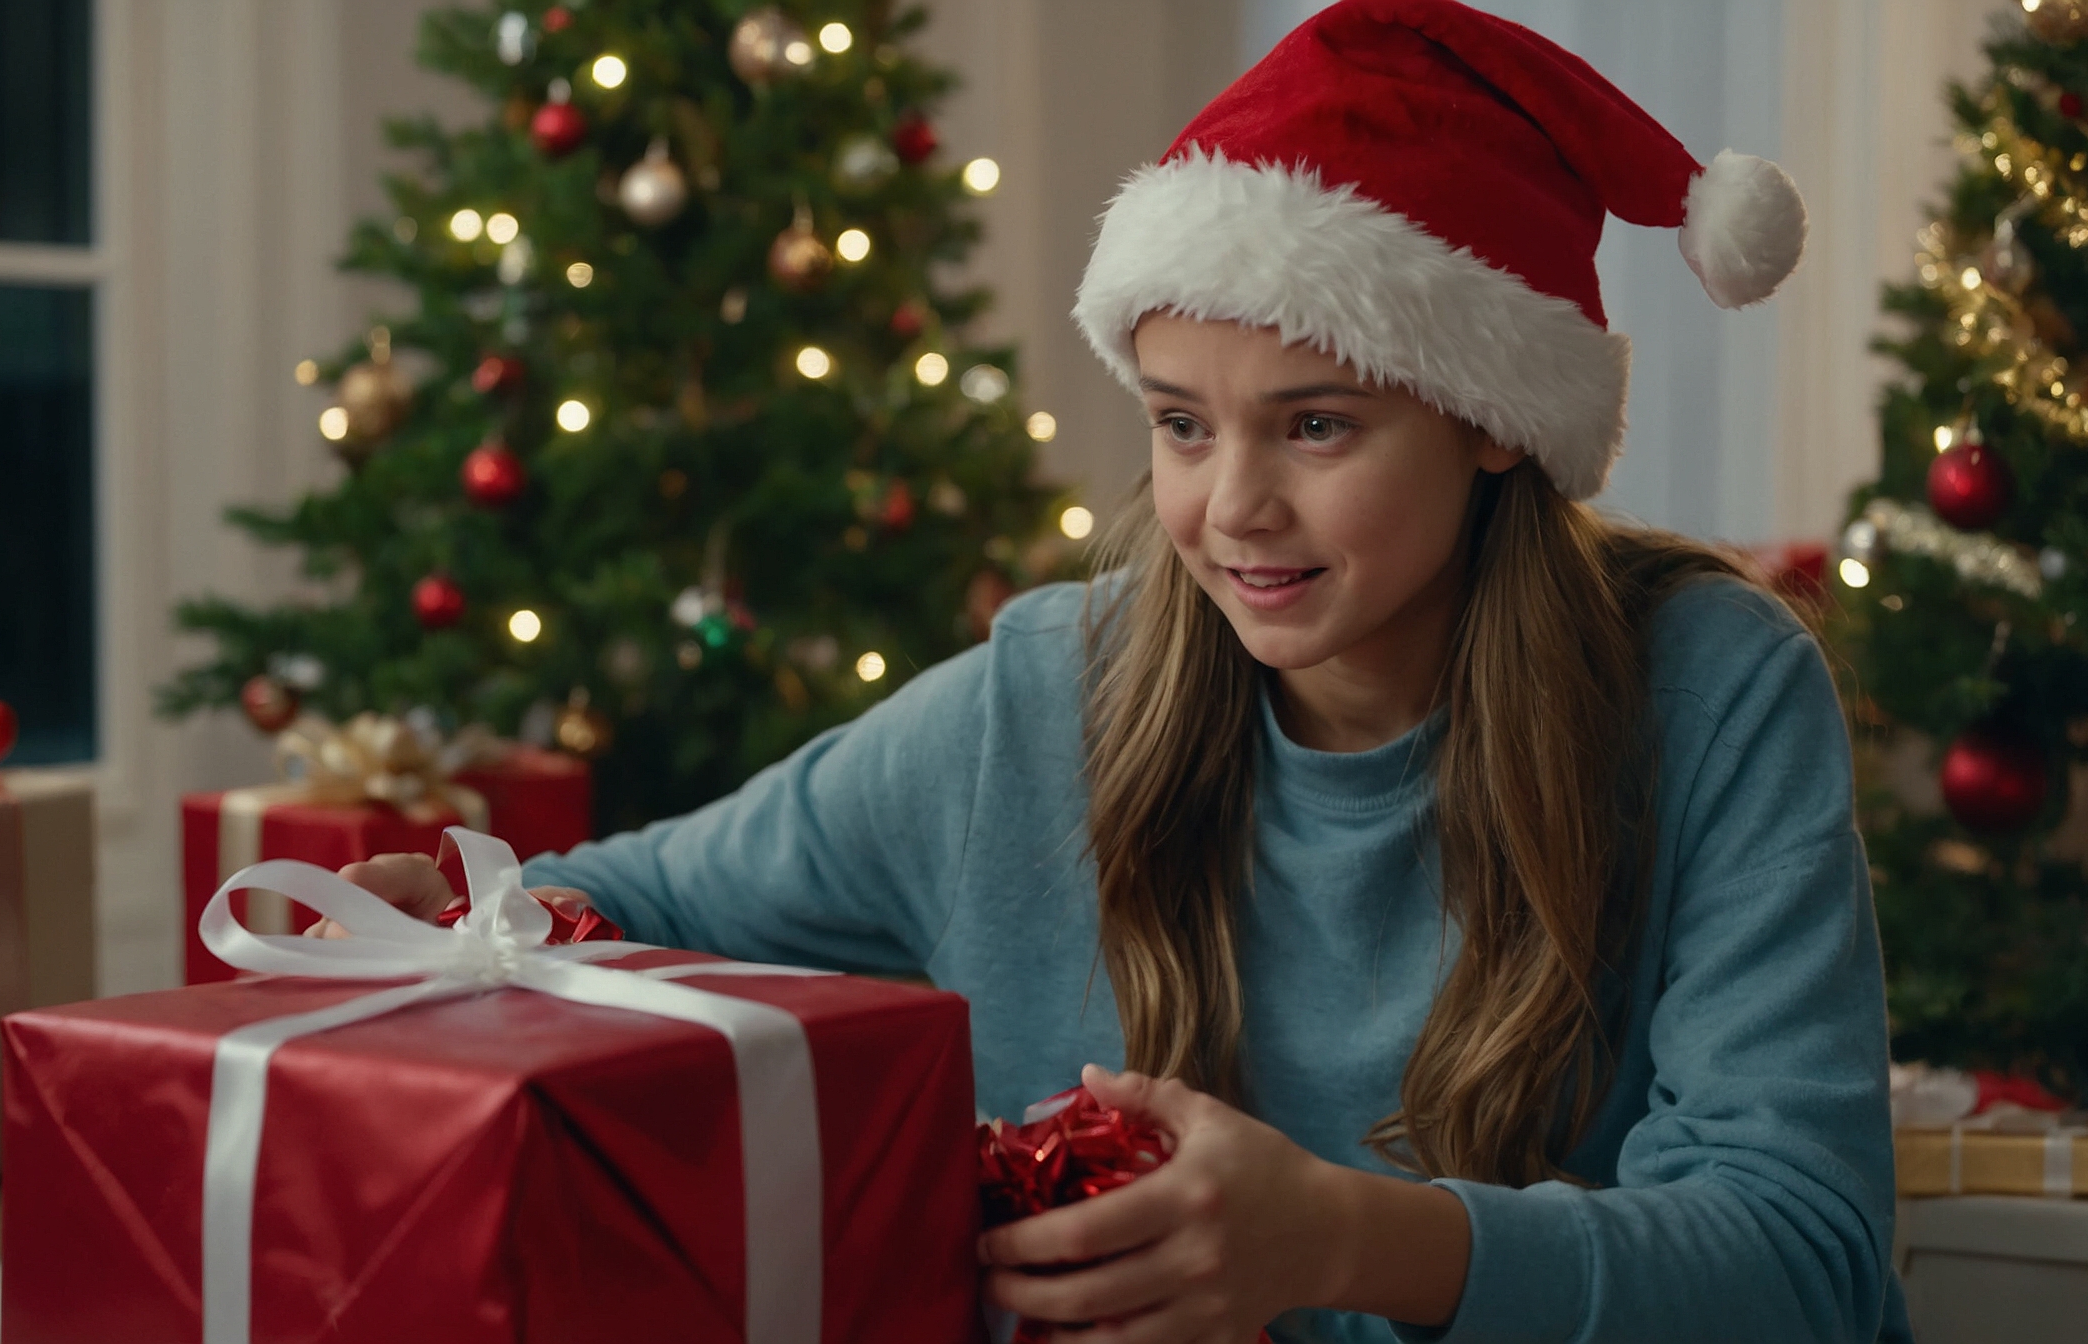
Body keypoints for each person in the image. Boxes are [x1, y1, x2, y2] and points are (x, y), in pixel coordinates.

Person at [330, 2, 1909, 1340]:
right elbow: (636, 903)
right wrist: (464, 920)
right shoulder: (1048, 695)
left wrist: (1350, 1243)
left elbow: (1806, 1260)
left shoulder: (1710, 689)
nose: (1231, 509)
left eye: (1316, 424)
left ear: (1493, 416)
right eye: (1179, 422)